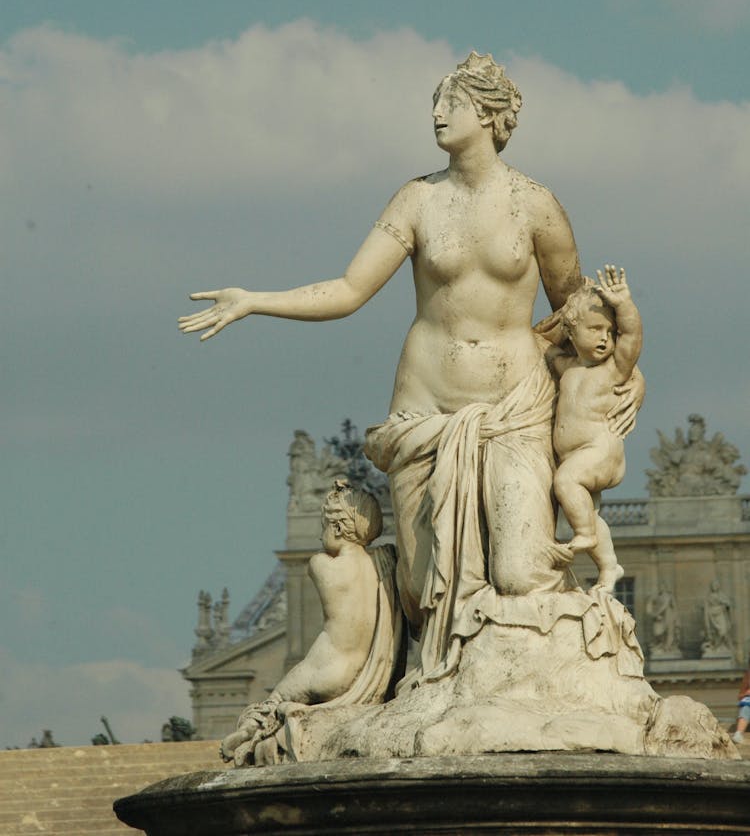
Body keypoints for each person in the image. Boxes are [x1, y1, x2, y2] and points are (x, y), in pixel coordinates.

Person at [180, 52, 643, 682]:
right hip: (425, 413)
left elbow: (580, 312)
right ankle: (437, 693)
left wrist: (623, 376)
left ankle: (546, 680)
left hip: (513, 413)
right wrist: (255, 301)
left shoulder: (536, 205)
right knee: (427, 591)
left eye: (447, 104)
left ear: (486, 113)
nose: (434, 115)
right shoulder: (417, 200)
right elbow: (348, 290)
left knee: (517, 570)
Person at [220, 480, 403, 766]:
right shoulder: (386, 562)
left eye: (324, 527)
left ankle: (247, 734)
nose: (320, 537)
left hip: (322, 668)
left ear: (339, 528)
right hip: (362, 673)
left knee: (273, 703)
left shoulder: (320, 564)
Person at [548, 267, 643, 591]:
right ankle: (608, 568)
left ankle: (585, 535)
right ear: (572, 333)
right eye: (595, 329)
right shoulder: (567, 367)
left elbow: (632, 337)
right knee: (589, 510)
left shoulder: (613, 370)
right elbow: (540, 345)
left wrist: (625, 305)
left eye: (610, 331)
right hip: (580, 455)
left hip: (600, 451)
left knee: (566, 480)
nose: (605, 338)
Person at [733, 659, 750, 744]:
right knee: (745, 708)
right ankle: (738, 734)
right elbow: (740, 696)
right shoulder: (747, 676)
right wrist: (746, 694)